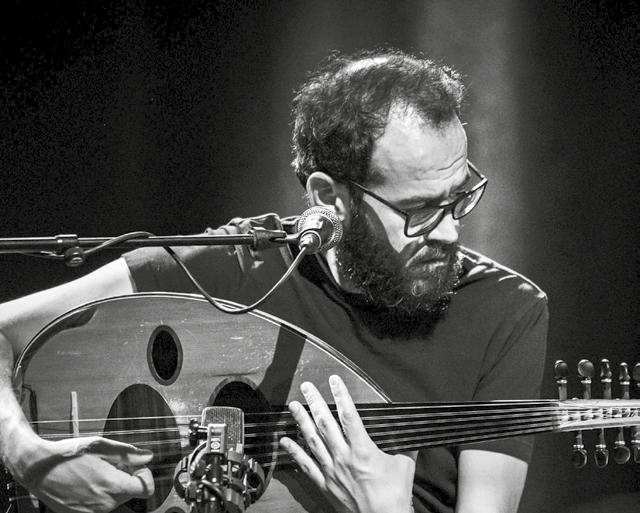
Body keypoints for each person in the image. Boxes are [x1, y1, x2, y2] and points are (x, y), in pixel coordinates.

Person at [0, 49, 548, 513]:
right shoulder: (237, 266)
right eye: (421, 210)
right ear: (329, 198)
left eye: (459, 196)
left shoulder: (505, 312)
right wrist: (27, 456)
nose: (450, 231)